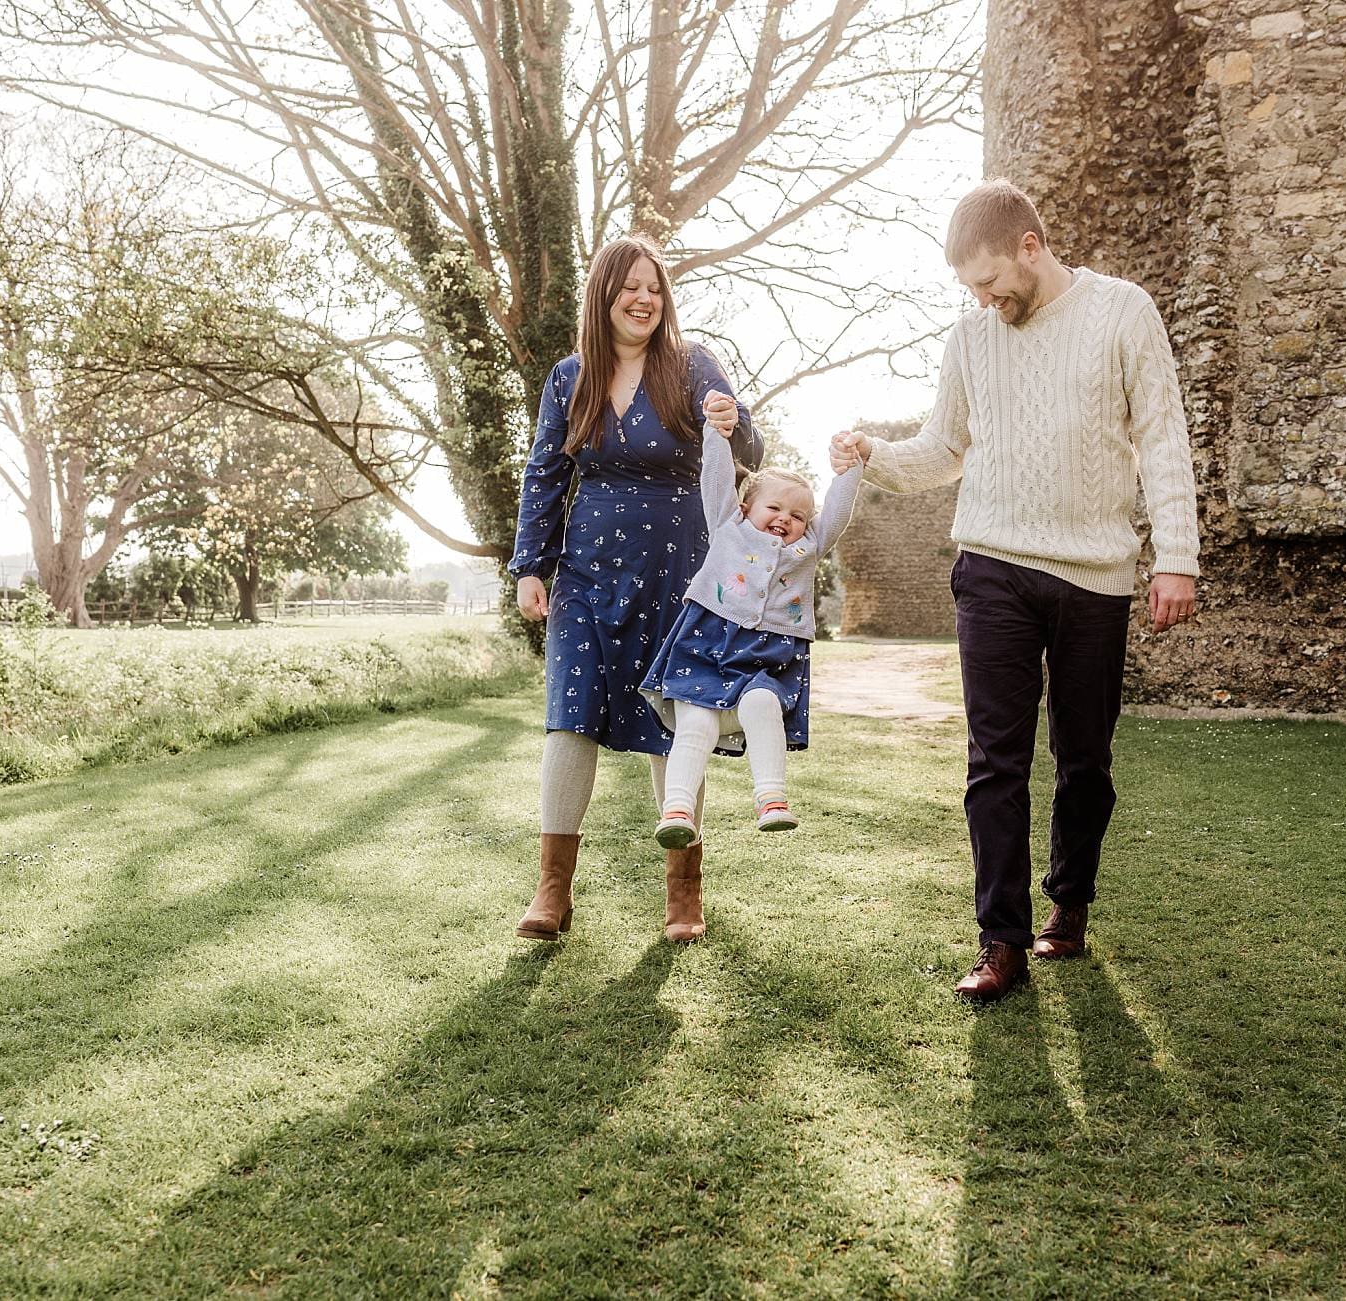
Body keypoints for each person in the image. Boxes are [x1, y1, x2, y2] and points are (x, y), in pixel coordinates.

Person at [831, 180, 1200, 1003]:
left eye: (991, 280)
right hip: (992, 564)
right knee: (993, 761)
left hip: (1094, 574)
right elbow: (942, 448)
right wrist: (872, 454)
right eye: (970, 288)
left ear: (1031, 246)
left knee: (1085, 762)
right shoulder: (971, 338)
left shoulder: (1123, 311)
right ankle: (1000, 941)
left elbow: (1162, 434)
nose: (984, 299)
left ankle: (1068, 902)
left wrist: (1177, 554)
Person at [509, 235, 762, 945]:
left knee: (674, 725)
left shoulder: (691, 365)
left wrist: (732, 423)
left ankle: (684, 891)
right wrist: (532, 565)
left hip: (677, 572)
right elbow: (544, 477)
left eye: (654, 287)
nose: (644, 298)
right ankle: (551, 889)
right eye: (630, 286)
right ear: (604, 294)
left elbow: (752, 452)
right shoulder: (570, 377)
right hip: (586, 573)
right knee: (570, 717)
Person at [639, 421, 862, 849]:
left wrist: (850, 467)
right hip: (706, 647)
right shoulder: (728, 525)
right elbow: (717, 478)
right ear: (745, 508)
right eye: (774, 508)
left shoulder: (808, 548)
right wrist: (716, 433)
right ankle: (678, 808)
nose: (785, 519)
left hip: (768, 657)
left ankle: (772, 799)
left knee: (763, 705)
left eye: (798, 515)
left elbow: (836, 513)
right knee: (696, 723)